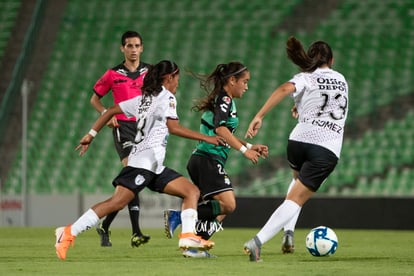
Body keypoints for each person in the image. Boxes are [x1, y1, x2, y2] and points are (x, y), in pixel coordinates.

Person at [54, 60, 224, 261]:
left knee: (191, 192)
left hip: (153, 166)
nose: (178, 83)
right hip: (142, 165)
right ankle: (67, 232)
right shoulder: (167, 97)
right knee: (116, 202)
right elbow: (174, 128)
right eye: (177, 78)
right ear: (169, 77)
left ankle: (188, 240)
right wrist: (207, 137)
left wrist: (90, 135)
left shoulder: (142, 99)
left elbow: (109, 111)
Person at [243, 36, 348, 262]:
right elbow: (327, 103)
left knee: (296, 182)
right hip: (325, 148)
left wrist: (259, 116)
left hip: (298, 141)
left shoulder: (306, 77)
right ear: (331, 59)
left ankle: (289, 233)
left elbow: (285, 89)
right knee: (295, 200)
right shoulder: (341, 79)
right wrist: (300, 106)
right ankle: (257, 242)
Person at [164, 62, 268, 258]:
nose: (247, 86)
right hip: (207, 159)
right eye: (244, 82)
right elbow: (220, 129)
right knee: (229, 204)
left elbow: (224, 133)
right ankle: (179, 215)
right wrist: (244, 152)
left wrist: (249, 146)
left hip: (207, 160)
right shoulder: (224, 99)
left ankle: (195, 247)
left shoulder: (227, 101)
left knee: (220, 211)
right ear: (232, 80)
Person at [90, 31, 150, 248]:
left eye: (136, 45)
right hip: (122, 126)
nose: (133, 49)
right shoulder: (112, 74)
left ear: (142, 48)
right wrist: (107, 114)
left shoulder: (150, 72)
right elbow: (94, 99)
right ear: (122, 48)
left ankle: (105, 226)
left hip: (144, 128)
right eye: (129, 46)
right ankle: (136, 232)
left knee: (133, 181)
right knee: (133, 172)